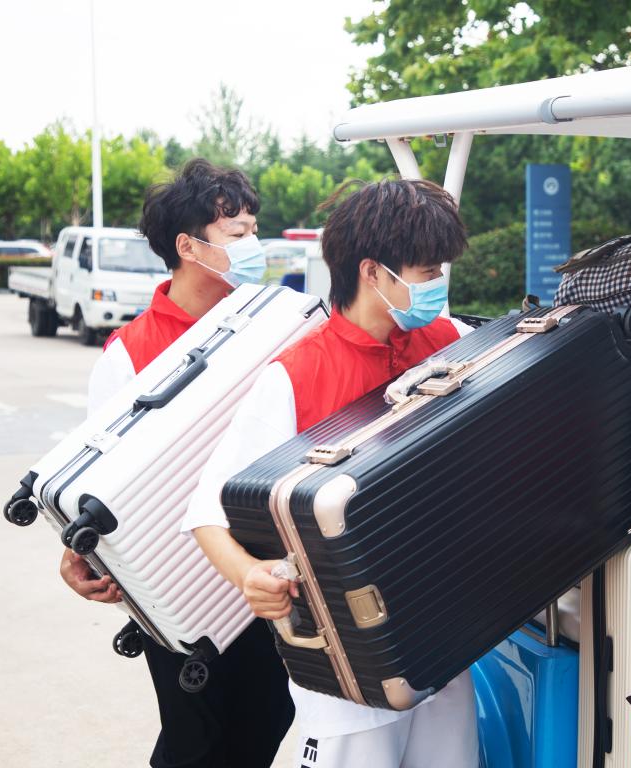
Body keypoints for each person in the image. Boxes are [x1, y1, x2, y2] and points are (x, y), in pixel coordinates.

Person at [183, 178, 479, 768]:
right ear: (373, 272)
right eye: (426, 270)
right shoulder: (295, 376)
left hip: (445, 640)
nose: (437, 283)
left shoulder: (451, 342)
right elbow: (207, 513)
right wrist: (250, 574)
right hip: (351, 661)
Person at [62, 158, 294, 768]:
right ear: (188, 246)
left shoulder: (272, 324)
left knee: (269, 720)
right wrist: (81, 555)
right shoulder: (130, 354)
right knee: (197, 740)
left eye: (253, 229)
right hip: (177, 586)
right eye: (237, 233)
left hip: (263, 571)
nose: (253, 245)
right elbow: (93, 481)